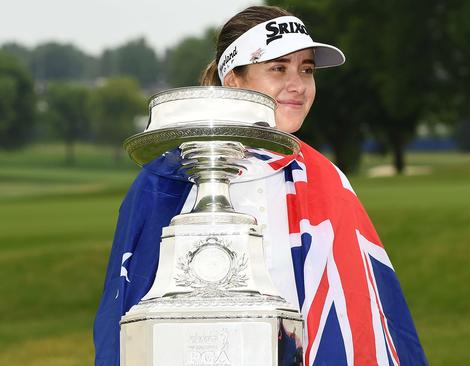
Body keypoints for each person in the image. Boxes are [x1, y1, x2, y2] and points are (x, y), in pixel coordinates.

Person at [94, 6, 427, 366]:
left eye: (307, 69)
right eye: (278, 68)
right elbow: (126, 314)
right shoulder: (164, 181)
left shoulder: (326, 178)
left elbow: (361, 317)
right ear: (233, 80)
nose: (298, 85)